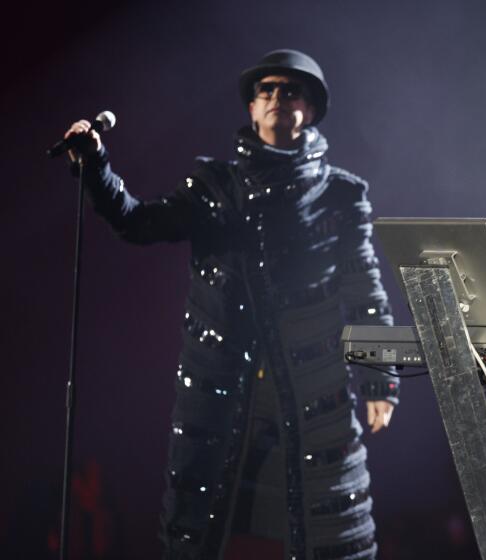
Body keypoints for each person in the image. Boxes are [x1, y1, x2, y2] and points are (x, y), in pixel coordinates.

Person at [64, 49, 398, 560]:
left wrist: (380, 381)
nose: (277, 100)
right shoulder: (215, 187)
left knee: (326, 531)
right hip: (226, 389)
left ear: (310, 107)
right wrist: (96, 167)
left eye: (290, 90)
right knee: (207, 529)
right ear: (250, 107)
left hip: (310, 390)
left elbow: (364, 289)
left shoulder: (341, 196)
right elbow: (138, 222)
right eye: (266, 90)